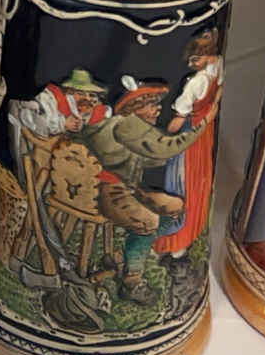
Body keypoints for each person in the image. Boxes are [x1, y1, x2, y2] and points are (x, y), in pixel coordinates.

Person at [81, 77, 209, 305]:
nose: (158, 109)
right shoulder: (127, 125)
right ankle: (131, 282)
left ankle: (127, 256)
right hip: (108, 190)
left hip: (127, 188)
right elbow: (165, 148)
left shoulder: (127, 127)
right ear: (136, 107)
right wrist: (203, 123)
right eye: (152, 104)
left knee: (175, 207)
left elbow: (146, 158)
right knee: (149, 222)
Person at [155, 29, 224, 261]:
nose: (190, 64)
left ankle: (174, 240)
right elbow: (220, 89)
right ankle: (189, 236)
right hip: (205, 134)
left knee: (180, 184)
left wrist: (163, 134)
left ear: (206, 55)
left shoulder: (196, 82)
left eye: (195, 59)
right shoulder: (217, 67)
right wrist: (212, 109)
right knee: (199, 183)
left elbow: (176, 123)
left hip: (189, 139)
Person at [11, 69, 112, 139]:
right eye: (80, 93)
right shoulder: (50, 98)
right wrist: (63, 123)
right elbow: (32, 120)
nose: (87, 98)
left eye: (91, 94)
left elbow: (105, 112)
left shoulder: (87, 106)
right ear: (69, 92)